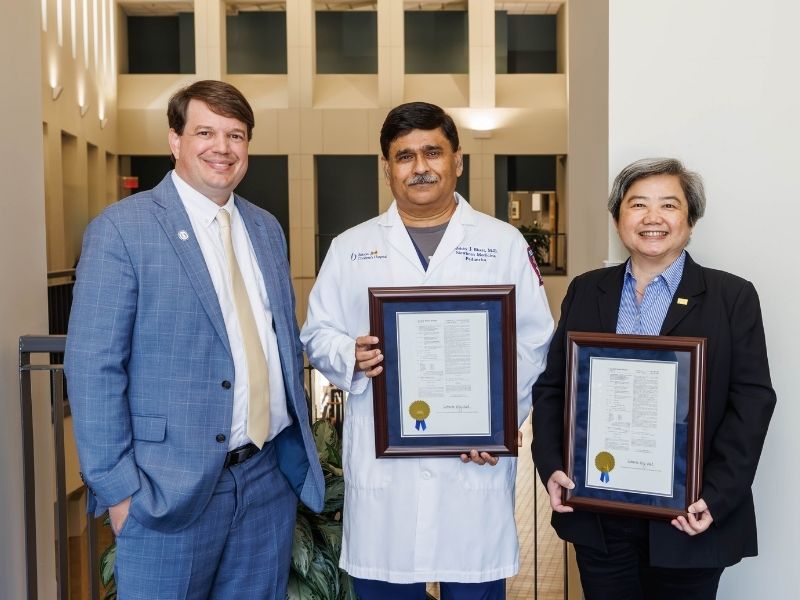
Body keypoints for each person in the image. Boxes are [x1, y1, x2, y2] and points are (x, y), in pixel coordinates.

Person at [64, 80, 324, 599]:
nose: (222, 148)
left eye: (236, 135)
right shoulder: (122, 230)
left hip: (264, 480)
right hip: (164, 491)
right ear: (174, 140)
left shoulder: (266, 228)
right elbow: (93, 367)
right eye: (205, 131)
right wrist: (119, 494)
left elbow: (277, 341)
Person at [300, 101, 554, 599]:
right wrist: (350, 355)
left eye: (432, 152)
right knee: (386, 585)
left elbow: (534, 338)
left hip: (471, 459)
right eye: (404, 156)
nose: (420, 167)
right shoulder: (351, 247)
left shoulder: (501, 243)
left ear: (458, 160)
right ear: (387, 168)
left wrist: (498, 420)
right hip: (384, 468)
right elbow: (316, 331)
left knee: (474, 586)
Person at [532, 158, 776, 599]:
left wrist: (716, 498)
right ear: (617, 218)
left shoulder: (731, 296)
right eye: (637, 204)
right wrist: (552, 466)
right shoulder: (588, 289)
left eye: (669, 205)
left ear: (691, 220)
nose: (652, 218)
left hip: (688, 518)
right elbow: (553, 388)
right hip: (600, 516)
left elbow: (752, 403)